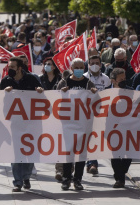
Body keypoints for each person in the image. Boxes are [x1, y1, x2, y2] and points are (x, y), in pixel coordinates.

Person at [0, 57, 43, 192]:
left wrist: (41, 91)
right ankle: (17, 182)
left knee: (30, 151)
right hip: (15, 122)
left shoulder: (32, 79)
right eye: (8, 67)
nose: (9, 69)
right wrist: (4, 93)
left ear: (19, 68)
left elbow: (44, 97)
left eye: (12, 67)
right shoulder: (5, 81)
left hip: (32, 122)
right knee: (17, 152)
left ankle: (26, 177)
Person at [56, 58, 97, 191]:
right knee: (68, 152)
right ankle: (66, 178)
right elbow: (55, 97)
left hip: (84, 123)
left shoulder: (88, 83)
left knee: (81, 152)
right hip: (67, 123)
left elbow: (96, 101)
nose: (79, 69)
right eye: (76, 67)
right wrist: (62, 92)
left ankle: (78, 179)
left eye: (81, 67)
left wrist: (94, 94)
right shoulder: (64, 81)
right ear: (72, 68)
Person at [83, 55, 111, 174]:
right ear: (88, 65)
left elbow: (110, 94)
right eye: (92, 63)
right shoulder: (83, 78)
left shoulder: (106, 79)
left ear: (101, 64)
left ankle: (92, 162)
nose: (94, 65)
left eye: (97, 63)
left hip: (101, 112)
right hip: (85, 113)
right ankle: (91, 163)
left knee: (95, 137)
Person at [110, 68, 132, 188]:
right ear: (113, 81)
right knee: (115, 154)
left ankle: (121, 173)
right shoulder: (107, 93)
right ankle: (119, 179)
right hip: (112, 128)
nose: (124, 81)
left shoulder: (130, 91)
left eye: (124, 79)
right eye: (121, 80)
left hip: (129, 127)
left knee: (128, 153)